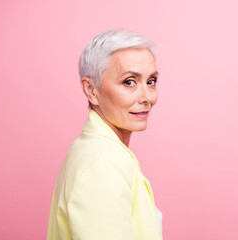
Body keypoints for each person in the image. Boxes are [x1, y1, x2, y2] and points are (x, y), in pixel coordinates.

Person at [47, 29, 163, 240]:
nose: (147, 97)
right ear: (91, 90)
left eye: (151, 81)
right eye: (129, 82)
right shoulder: (102, 161)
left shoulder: (95, 149)